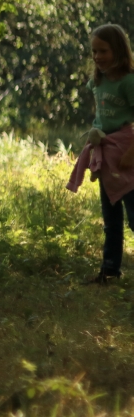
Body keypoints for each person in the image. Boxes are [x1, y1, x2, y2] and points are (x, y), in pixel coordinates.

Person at [66, 24, 134, 284]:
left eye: (103, 51)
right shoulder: (98, 81)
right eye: (94, 51)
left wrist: (131, 152)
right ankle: (110, 271)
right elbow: (101, 111)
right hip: (106, 155)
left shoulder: (129, 81)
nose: (97, 57)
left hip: (126, 151)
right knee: (111, 218)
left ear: (118, 49)